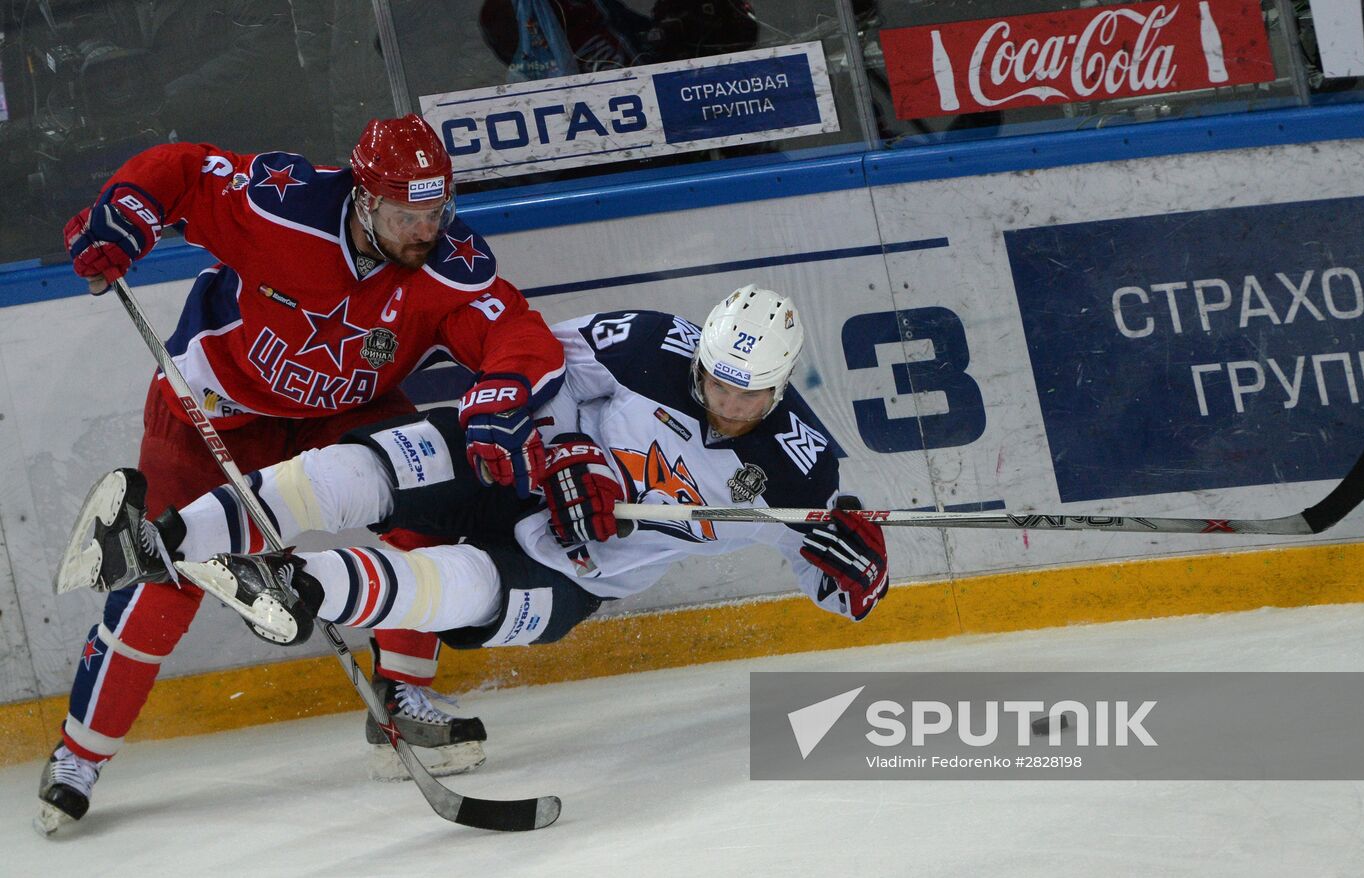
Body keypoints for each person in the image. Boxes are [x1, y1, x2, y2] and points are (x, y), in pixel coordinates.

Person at [57, 285, 891, 800]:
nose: (719, 398)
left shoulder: (799, 472)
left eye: (744, 394)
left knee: (453, 584)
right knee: (366, 466)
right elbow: (538, 356)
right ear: (703, 350)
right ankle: (162, 536)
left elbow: (829, 584)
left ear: (781, 387)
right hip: (511, 459)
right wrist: (565, 446)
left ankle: (298, 586)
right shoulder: (650, 343)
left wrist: (858, 578)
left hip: (576, 568)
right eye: (714, 376)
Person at [39, 112, 565, 833]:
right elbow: (185, 169)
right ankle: (80, 756)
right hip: (211, 409)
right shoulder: (280, 205)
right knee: (162, 575)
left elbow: (516, 333)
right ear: (364, 199)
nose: (426, 229)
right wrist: (126, 213)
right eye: (407, 214)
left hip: (343, 412)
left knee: (431, 511)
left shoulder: (449, 264)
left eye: (437, 210)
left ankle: (403, 703)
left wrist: (505, 385)